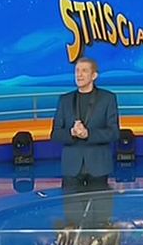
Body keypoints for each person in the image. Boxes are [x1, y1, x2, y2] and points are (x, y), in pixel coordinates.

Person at [51, 57, 120, 190]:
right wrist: (72, 132)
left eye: (84, 71)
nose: (79, 74)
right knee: (71, 203)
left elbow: (114, 133)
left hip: (99, 166)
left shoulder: (108, 98)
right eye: (77, 70)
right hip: (72, 167)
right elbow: (55, 134)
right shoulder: (65, 100)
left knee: (101, 203)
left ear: (94, 75)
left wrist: (88, 134)